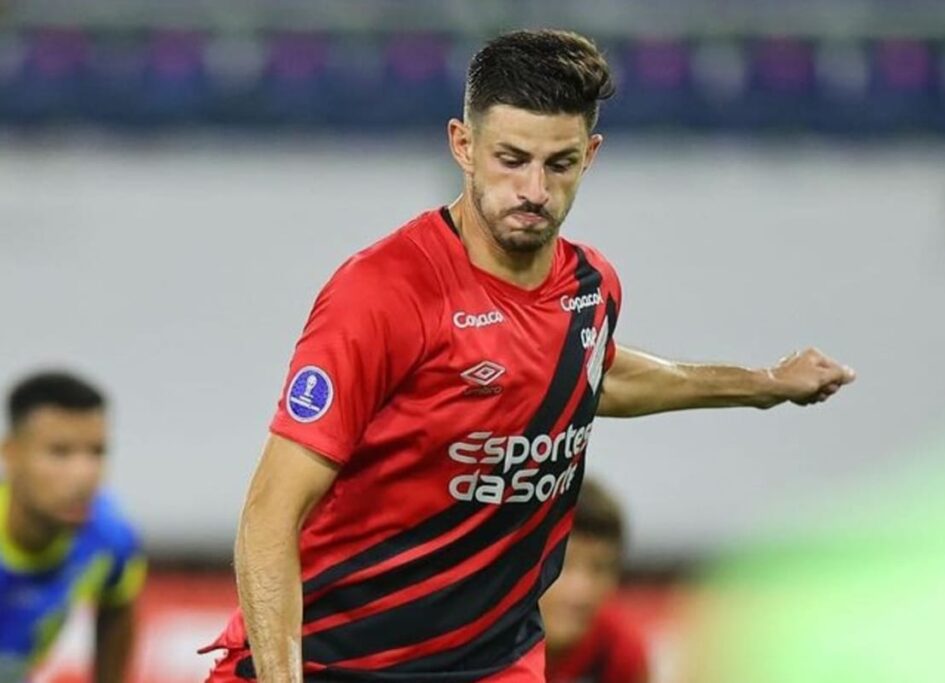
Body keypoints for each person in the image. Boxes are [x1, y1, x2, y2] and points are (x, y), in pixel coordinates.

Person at [203, 28, 855, 682]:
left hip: (493, 659)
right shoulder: (383, 294)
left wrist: (763, 383)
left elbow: (590, 375)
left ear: (591, 154)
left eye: (559, 164)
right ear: (463, 144)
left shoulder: (590, 289)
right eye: (511, 159)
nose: (535, 190)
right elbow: (268, 518)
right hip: (330, 658)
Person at [0, 371, 146, 683]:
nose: (83, 475)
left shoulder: (111, 539)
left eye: (96, 452)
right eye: (60, 452)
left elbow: (117, 610)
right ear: (10, 454)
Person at [541, 479, 647, 683]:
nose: (581, 591)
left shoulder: (619, 649)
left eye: (600, 569)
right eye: (563, 566)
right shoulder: (485, 647)